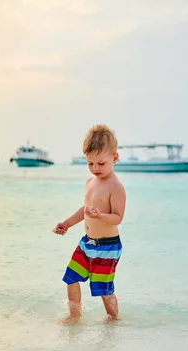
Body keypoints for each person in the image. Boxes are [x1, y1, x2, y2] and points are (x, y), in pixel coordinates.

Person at [53, 124, 126, 324]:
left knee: (104, 289)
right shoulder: (90, 183)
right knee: (71, 278)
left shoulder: (116, 187)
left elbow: (118, 217)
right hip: (87, 243)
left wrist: (101, 215)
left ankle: (114, 319)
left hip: (107, 247)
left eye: (101, 163)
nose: (95, 168)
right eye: (90, 163)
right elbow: (84, 210)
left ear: (115, 158)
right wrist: (67, 223)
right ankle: (74, 316)